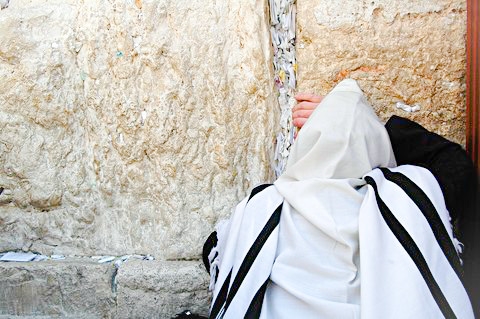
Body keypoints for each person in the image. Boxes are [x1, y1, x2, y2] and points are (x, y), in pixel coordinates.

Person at [203, 79, 476, 318]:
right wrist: (364, 127)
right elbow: (455, 166)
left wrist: (331, 125)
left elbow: (215, 253)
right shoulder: (402, 200)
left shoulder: (266, 205)